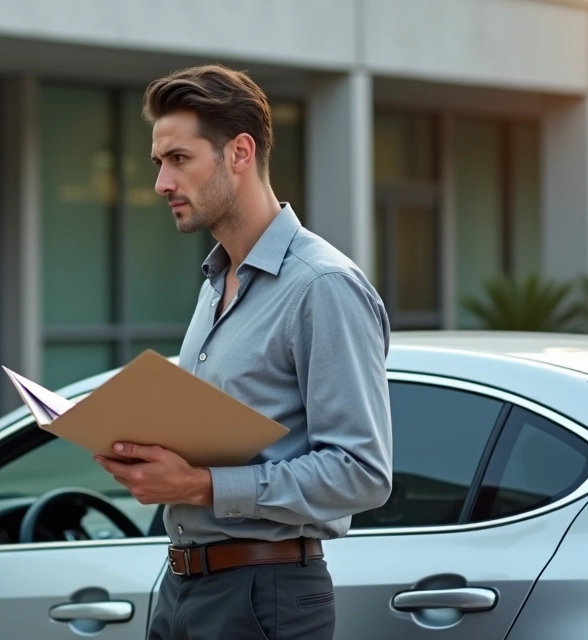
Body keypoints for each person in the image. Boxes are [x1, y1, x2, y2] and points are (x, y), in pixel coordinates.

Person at [94, 64, 394, 640]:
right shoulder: (215, 284)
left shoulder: (321, 286)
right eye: (159, 162)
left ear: (239, 152)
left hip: (265, 594)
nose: (161, 182)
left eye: (179, 159)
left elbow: (362, 473)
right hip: (184, 585)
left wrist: (200, 486)